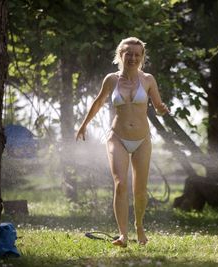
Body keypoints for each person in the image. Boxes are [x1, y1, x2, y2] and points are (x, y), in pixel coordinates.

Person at [76, 37, 169, 247]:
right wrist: (83, 125)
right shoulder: (111, 79)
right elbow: (99, 101)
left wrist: (162, 110)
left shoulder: (148, 80)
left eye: (137, 54)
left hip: (142, 140)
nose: (133, 58)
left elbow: (157, 105)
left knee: (140, 190)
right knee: (120, 184)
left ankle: (139, 227)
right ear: (121, 55)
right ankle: (123, 235)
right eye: (129, 54)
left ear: (142, 57)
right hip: (116, 137)